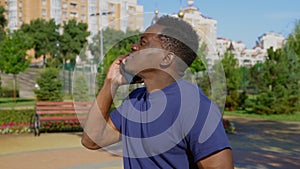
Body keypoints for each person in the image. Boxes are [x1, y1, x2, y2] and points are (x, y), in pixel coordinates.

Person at [81, 15, 233, 169]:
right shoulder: (134, 100)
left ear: (166, 59)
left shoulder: (196, 108)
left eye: (143, 43)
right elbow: (92, 140)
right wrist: (111, 82)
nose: (133, 47)